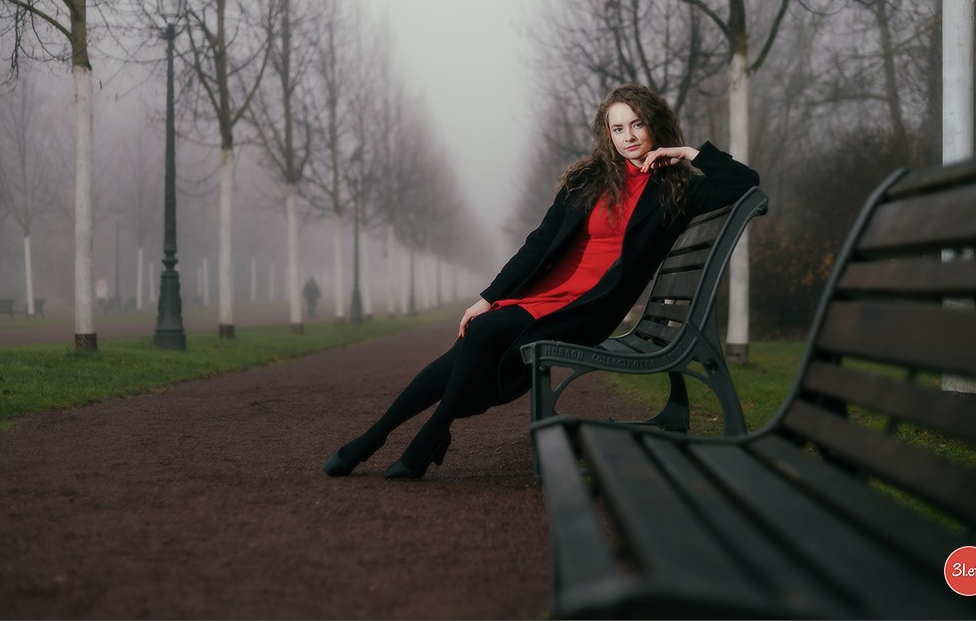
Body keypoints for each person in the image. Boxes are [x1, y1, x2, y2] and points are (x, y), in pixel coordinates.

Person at [324, 83, 759, 480]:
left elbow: (744, 183)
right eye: (617, 127)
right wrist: (487, 298)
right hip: (543, 296)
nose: (628, 136)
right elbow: (537, 246)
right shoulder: (587, 181)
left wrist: (687, 153)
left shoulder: (676, 190)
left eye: (637, 124)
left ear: (654, 125)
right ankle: (385, 435)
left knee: (487, 333)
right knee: (480, 328)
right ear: (606, 134)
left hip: (586, 309)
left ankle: (420, 435)